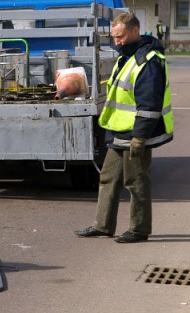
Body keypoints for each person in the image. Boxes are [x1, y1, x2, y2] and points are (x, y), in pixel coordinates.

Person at [75, 12, 173, 243]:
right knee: (108, 178)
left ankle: (139, 230)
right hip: (119, 133)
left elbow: (149, 105)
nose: (116, 42)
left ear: (135, 31)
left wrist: (140, 137)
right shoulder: (126, 57)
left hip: (136, 134)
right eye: (114, 37)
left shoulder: (148, 61)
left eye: (120, 37)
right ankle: (102, 225)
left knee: (136, 182)